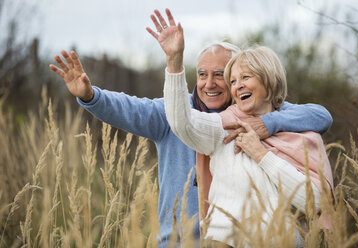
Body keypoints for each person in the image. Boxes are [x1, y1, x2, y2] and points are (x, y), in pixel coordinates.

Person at [49, 9, 333, 247]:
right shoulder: (174, 113)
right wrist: (90, 96)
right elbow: (129, 108)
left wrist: (266, 124)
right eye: (202, 75)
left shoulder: (259, 111)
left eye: (221, 76)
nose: (209, 84)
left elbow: (319, 115)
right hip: (179, 241)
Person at [158, 14, 334, 247]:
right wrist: (174, 62)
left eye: (246, 77)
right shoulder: (224, 126)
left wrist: (261, 154)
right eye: (233, 81)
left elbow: (314, 202)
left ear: (269, 80)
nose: (237, 85)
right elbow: (183, 123)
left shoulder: (303, 134)